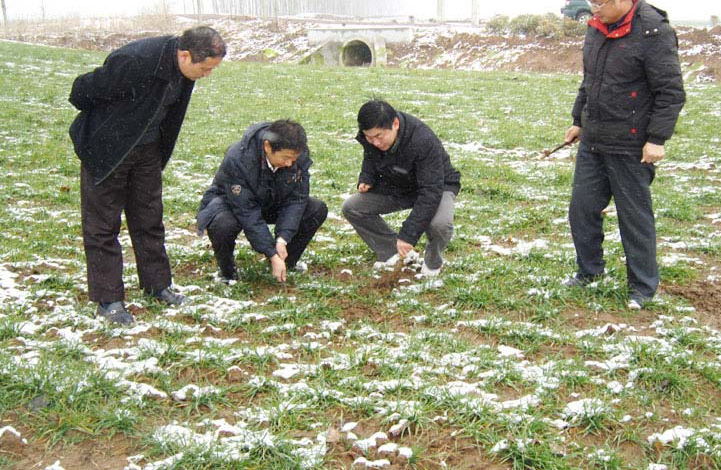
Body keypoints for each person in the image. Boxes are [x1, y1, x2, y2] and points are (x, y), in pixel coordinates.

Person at [69, 26, 227, 325]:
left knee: (149, 219)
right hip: (107, 150)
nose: (207, 75)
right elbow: (81, 92)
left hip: (147, 151)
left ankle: (157, 286)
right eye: (205, 68)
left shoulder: (184, 70)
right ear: (185, 55)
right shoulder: (136, 60)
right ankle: (109, 300)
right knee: (103, 225)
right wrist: (112, 125)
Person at [563, 0, 685, 310]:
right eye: (590, 2)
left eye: (598, 2)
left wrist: (657, 138)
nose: (593, 9)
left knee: (634, 218)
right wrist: (578, 120)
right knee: (582, 209)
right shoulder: (596, 28)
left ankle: (642, 287)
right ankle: (589, 271)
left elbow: (670, 92)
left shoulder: (653, 32)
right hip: (594, 139)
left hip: (631, 144)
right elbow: (590, 81)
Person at [197, 120, 327, 283]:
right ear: (267, 147)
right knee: (223, 224)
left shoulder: (298, 156)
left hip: (271, 201)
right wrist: (270, 252)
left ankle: (285, 263)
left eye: (294, 158)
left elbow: (296, 199)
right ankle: (228, 273)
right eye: (286, 158)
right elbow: (247, 211)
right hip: (232, 204)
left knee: (316, 209)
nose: (289, 163)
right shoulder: (238, 158)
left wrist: (282, 239)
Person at [342, 100, 461, 276]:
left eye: (379, 136)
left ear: (395, 124)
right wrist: (367, 177)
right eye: (369, 137)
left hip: (438, 186)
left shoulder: (422, 140)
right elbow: (370, 155)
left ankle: (432, 262)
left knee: (439, 225)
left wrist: (408, 235)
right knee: (353, 207)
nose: (374, 142)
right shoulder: (372, 138)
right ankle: (391, 251)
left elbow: (430, 192)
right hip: (400, 184)